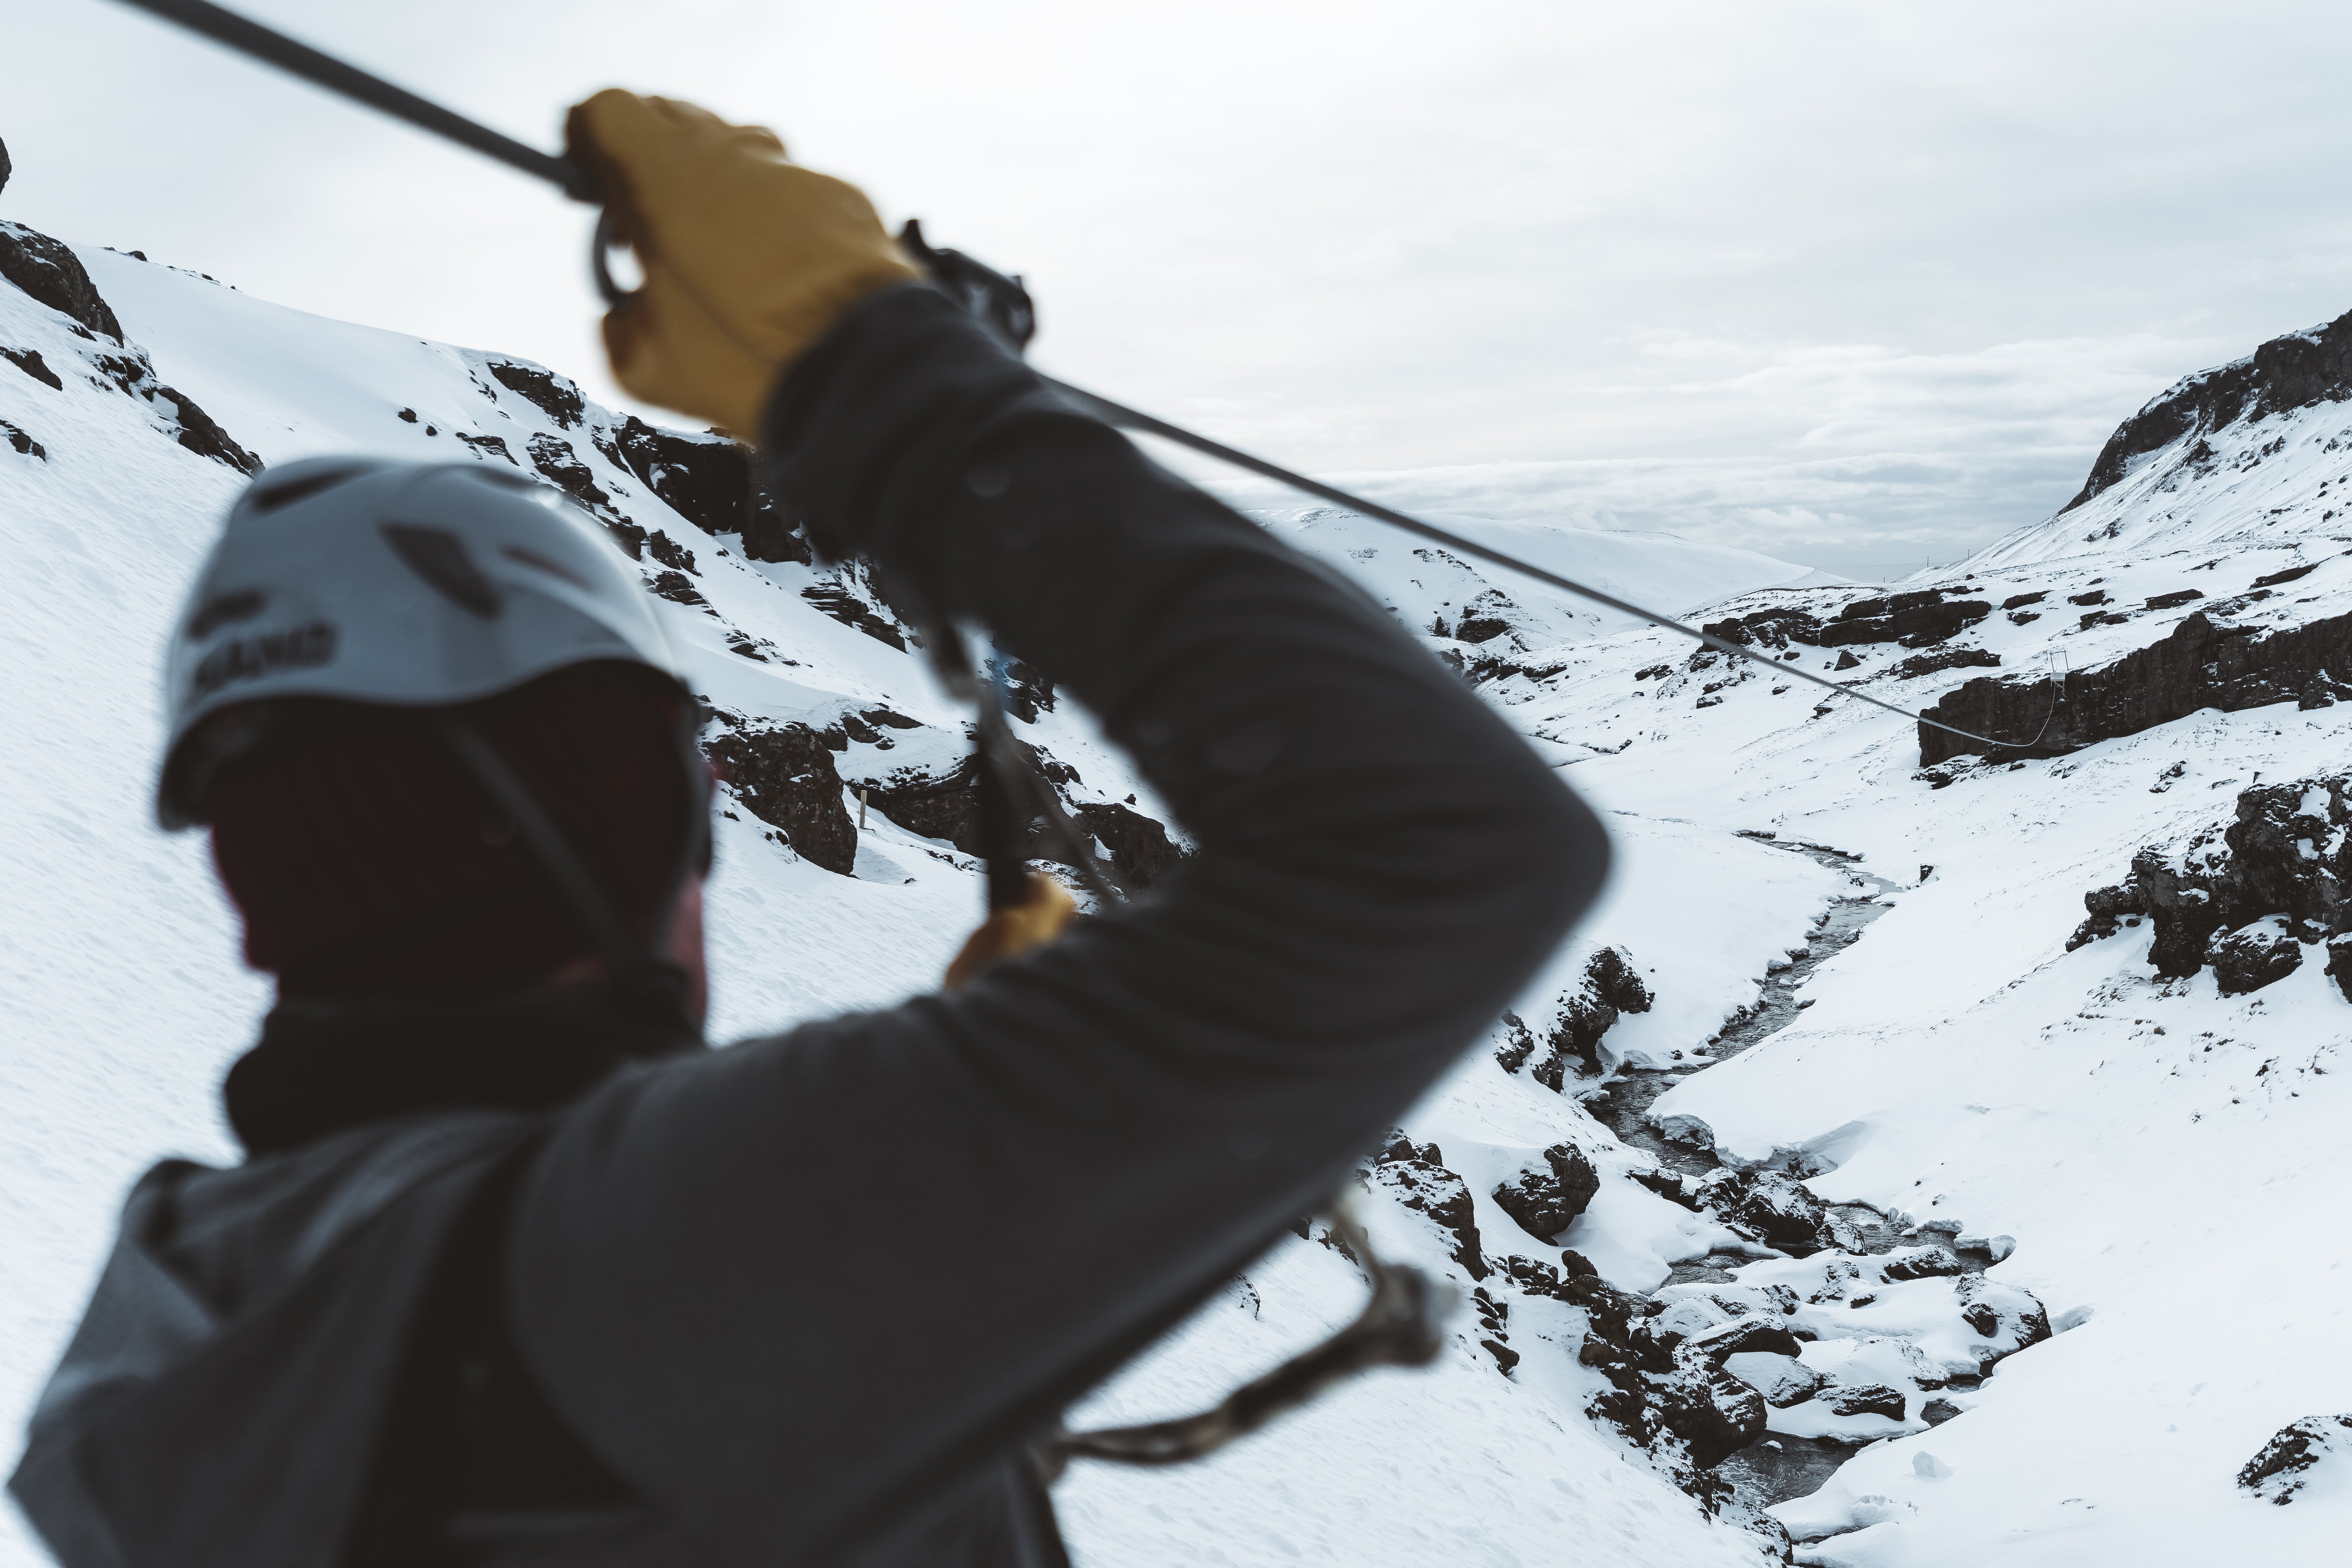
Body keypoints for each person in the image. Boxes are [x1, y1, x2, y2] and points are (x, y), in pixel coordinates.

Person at [9, 92, 1609, 1566]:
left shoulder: (181, 1314)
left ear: (250, 863)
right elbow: (1444, 844)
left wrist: (929, 1159)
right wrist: (881, 381)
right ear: (626, 822)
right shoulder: (637, 1272)